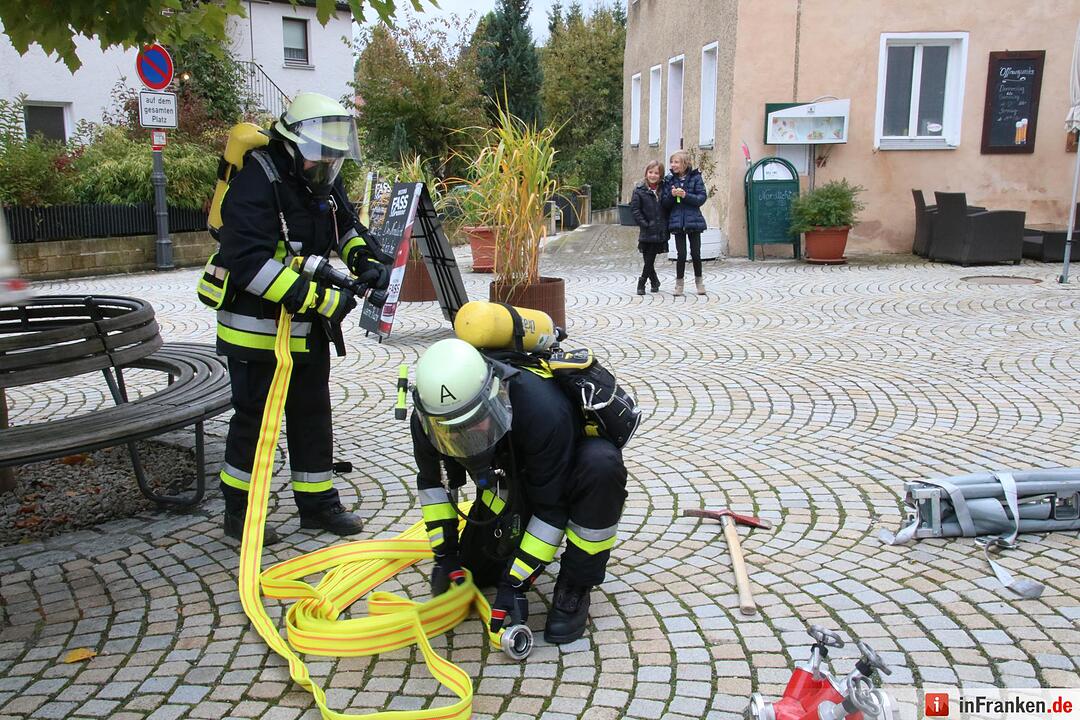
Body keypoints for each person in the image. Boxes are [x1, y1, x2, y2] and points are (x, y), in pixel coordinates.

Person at [214, 92, 390, 545]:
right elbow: (247, 264)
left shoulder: (320, 178)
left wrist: (366, 260)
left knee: (312, 413)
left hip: (305, 328)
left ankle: (317, 505)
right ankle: (239, 511)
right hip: (256, 329)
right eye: (318, 158)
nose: (325, 167)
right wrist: (319, 299)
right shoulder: (255, 182)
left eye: (332, 160)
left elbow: (344, 226)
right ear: (291, 146)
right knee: (255, 420)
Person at [409, 338, 628, 644]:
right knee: (477, 570)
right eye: (453, 432)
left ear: (493, 397)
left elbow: (551, 510)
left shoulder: (543, 410)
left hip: (561, 468)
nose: (464, 438)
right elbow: (433, 486)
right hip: (510, 471)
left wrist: (515, 584)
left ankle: (575, 585)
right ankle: (503, 545)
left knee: (601, 466)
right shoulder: (429, 418)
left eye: (472, 425)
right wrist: (445, 555)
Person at [661, 150, 708, 296]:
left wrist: (685, 195)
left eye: (676, 162)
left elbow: (701, 198)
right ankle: (679, 284)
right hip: (677, 222)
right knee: (681, 254)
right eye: (672, 162)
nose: (673, 165)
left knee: (696, 253)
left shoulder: (695, 178)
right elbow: (665, 203)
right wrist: (672, 195)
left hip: (693, 221)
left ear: (685, 163)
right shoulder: (669, 180)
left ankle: (699, 282)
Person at [629, 160, 668, 295]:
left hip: (660, 228)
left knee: (650, 256)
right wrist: (645, 224)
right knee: (647, 257)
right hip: (647, 228)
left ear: (660, 175)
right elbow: (635, 210)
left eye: (656, 173)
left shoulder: (664, 189)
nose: (653, 175)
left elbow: (667, 206)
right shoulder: (639, 190)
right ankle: (655, 281)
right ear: (646, 173)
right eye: (650, 172)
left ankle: (642, 282)